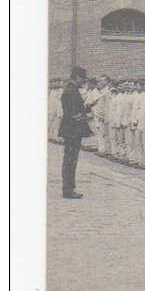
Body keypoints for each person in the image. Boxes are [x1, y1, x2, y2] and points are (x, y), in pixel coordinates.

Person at [59, 66, 93, 199]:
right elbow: (73, 114)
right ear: (77, 77)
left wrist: (85, 108)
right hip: (73, 130)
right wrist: (85, 114)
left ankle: (68, 188)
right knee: (71, 160)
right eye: (82, 79)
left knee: (70, 160)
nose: (83, 82)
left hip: (70, 130)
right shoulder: (71, 91)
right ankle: (68, 190)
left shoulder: (70, 90)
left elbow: (75, 109)